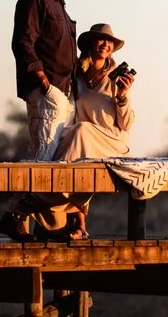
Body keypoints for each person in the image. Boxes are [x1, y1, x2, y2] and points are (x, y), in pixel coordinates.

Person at [0, 0, 88, 242]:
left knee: (55, 160)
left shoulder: (59, 6)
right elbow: (23, 42)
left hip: (64, 93)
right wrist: (44, 82)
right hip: (47, 93)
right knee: (42, 156)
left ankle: (43, 223)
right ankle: (13, 216)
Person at [35, 23, 136, 240]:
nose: (105, 44)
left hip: (112, 141)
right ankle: (78, 223)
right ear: (90, 44)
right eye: (101, 39)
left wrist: (122, 95)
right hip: (84, 140)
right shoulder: (78, 77)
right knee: (74, 141)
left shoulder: (116, 78)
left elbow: (126, 124)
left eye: (109, 41)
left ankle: (43, 195)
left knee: (82, 131)